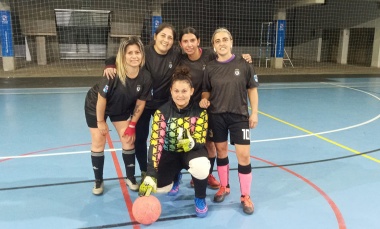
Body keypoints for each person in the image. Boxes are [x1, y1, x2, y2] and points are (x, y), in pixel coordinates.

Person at [104, 23, 182, 191]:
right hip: (142, 103)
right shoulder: (143, 51)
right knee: (139, 139)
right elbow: (119, 55)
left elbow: (201, 53)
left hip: (164, 104)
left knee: (170, 139)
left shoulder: (176, 54)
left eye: (170, 38)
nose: (166, 40)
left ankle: (173, 172)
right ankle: (145, 171)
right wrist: (110, 64)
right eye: (163, 36)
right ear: (155, 36)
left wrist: (244, 57)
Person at [200, 27, 259, 215]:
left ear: (231, 42)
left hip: (239, 116)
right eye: (217, 41)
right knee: (221, 151)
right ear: (213, 46)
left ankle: (245, 196)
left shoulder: (244, 64)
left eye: (225, 39)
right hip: (216, 115)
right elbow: (206, 90)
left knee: (244, 156)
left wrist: (254, 112)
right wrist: (204, 98)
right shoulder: (209, 67)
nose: (222, 43)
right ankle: (224, 186)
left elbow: (252, 89)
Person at [139, 66, 210, 218]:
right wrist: (150, 174)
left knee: (202, 166)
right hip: (170, 153)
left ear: (191, 91)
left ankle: (200, 198)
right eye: (176, 91)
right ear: (171, 91)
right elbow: (156, 142)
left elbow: (201, 139)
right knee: (159, 188)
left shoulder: (200, 112)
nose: (180, 95)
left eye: (184, 91)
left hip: (191, 152)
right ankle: (175, 177)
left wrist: (191, 143)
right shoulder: (161, 113)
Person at [84, 36, 152, 195]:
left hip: (120, 107)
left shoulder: (145, 77)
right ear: (123, 56)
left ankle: (130, 177)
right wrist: (101, 122)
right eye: (130, 53)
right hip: (96, 106)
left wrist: (132, 124)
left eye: (137, 52)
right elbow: (102, 99)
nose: (134, 56)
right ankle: (98, 180)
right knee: (99, 139)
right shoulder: (112, 74)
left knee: (128, 138)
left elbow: (140, 104)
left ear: (142, 55)